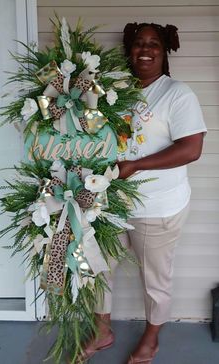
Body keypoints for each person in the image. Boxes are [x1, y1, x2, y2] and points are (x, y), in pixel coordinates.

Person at [78, 22, 207, 364]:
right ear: (128, 49)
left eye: (154, 44)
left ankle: (151, 338)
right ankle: (102, 330)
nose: (145, 50)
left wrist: (136, 166)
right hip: (110, 202)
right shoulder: (116, 91)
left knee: (154, 279)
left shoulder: (177, 94)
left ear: (165, 52)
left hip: (158, 206)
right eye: (138, 43)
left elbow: (191, 148)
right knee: (97, 267)